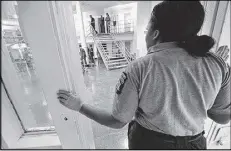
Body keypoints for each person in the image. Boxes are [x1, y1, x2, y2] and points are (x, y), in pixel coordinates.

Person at [57, 1, 230, 149]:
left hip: (149, 143)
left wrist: (79, 106)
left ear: (155, 34)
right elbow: (222, 117)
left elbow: (117, 121)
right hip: (195, 144)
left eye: (147, 29)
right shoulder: (217, 64)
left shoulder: (140, 67)